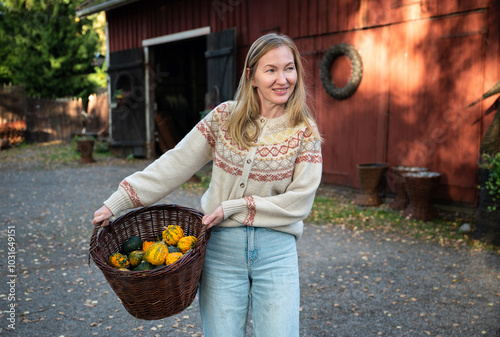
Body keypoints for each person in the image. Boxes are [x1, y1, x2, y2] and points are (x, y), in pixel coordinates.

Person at [92, 33, 323, 337]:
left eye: (289, 68)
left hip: (276, 252)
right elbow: (175, 163)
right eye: (271, 70)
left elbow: (300, 200)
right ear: (252, 76)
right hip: (221, 252)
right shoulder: (223, 118)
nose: (283, 79)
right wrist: (118, 201)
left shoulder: (304, 132)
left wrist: (238, 207)